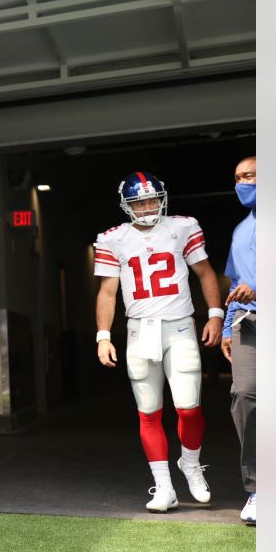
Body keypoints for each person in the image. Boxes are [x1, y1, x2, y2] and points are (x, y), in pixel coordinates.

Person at [93, 172, 224, 513]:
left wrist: (214, 314)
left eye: (153, 199)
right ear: (128, 205)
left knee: (189, 407)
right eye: (141, 201)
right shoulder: (113, 239)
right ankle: (164, 487)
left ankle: (191, 463)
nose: (149, 207)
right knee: (149, 412)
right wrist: (103, 335)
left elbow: (206, 272)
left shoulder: (182, 227)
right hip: (139, 328)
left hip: (179, 325)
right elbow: (107, 292)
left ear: (162, 199)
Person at [221, 156, 256, 525]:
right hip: (249, 324)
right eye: (237, 178)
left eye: (248, 176)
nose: (241, 183)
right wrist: (230, 325)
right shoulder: (240, 230)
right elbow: (236, 284)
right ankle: (259, 489)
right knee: (244, 396)